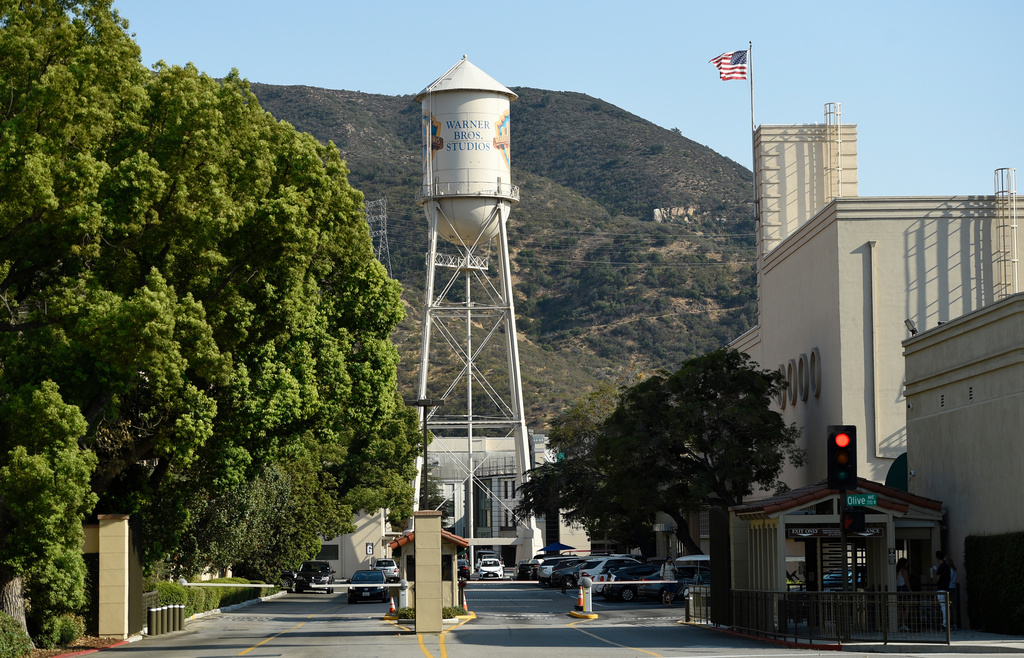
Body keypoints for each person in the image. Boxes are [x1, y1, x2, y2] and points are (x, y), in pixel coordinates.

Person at [934, 550, 951, 629]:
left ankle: (945, 624)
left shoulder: (940, 567)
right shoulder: (947, 566)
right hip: (946, 588)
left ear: (937, 558)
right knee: (946, 607)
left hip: (941, 589)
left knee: (943, 607)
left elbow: (937, 579)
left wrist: (935, 573)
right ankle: (946, 623)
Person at [895, 557, 912, 631]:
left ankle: (898, 624)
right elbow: (907, 581)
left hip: (898, 589)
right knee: (906, 607)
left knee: (900, 608)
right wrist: (910, 591)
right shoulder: (904, 571)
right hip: (903, 589)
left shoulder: (897, 570)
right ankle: (904, 624)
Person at [945, 554, 959, 630]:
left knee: (948, 606)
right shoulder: (953, 569)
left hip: (949, 587)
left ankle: (950, 623)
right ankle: (955, 623)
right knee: (953, 606)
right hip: (953, 586)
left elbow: (948, 578)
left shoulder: (949, 569)